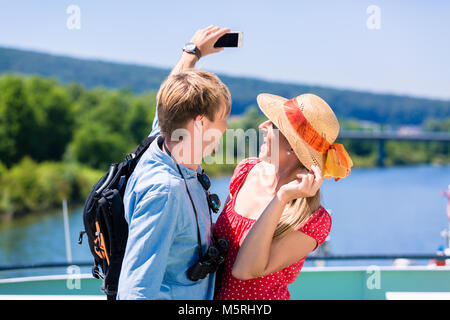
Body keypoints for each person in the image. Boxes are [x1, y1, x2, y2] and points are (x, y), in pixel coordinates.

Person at [117, 25, 231, 300]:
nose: (227, 127)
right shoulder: (165, 192)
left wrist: (192, 53)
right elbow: (136, 291)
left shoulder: (161, 140)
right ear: (201, 123)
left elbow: (165, 105)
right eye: (223, 118)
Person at [213, 93, 353, 300]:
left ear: (291, 146)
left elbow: (244, 270)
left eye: (273, 124)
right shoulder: (246, 171)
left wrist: (281, 198)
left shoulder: (313, 220)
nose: (262, 126)